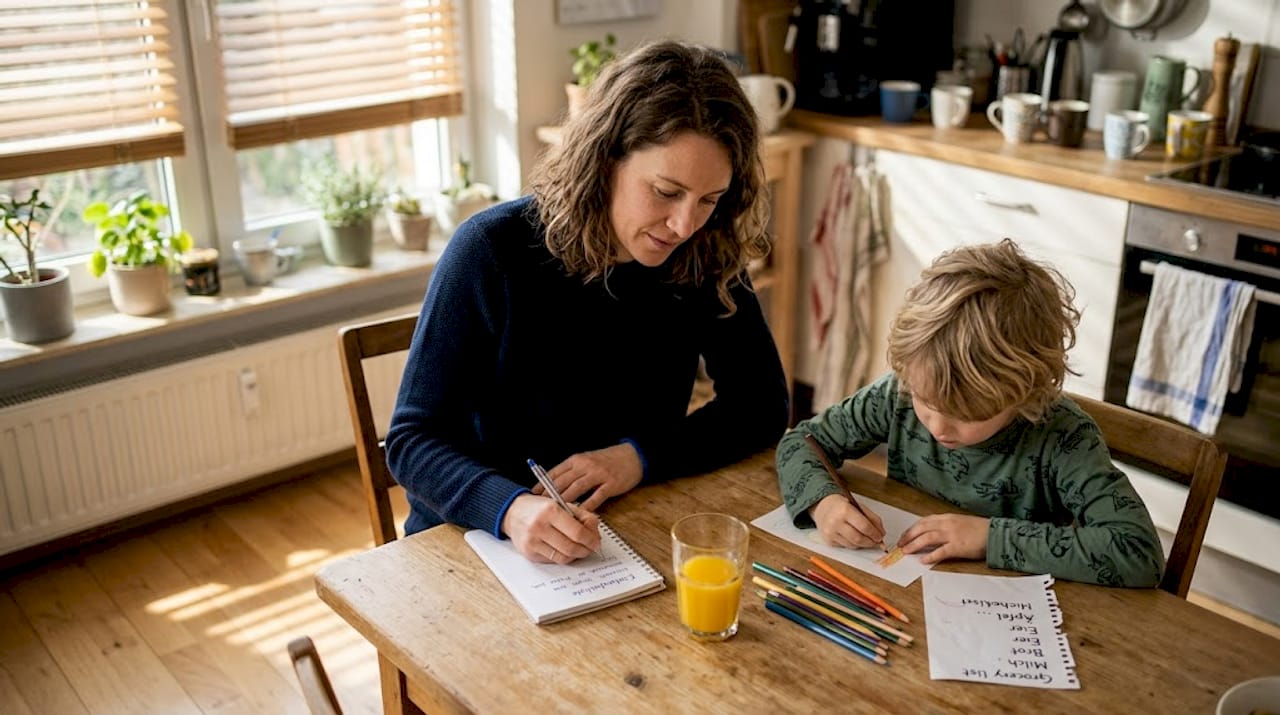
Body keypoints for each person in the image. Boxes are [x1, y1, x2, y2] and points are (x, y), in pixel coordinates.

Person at [386, 40, 790, 565]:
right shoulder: (492, 251)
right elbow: (413, 441)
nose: (685, 224)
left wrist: (639, 458)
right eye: (666, 191)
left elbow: (761, 405)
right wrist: (509, 509)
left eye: (709, 200)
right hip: (472, 542)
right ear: (606, 161)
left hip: (621, 529)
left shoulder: (703, 251)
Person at [776, 239, 1164, 587]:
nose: (938, 426)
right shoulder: (898, 394)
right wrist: (823, 502)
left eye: (966, 413)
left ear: (1025, 393)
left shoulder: (1064, 439)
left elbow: (1138, 552)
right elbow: (801, 442)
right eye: (926, 401)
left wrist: (990, 538)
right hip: (905, 591)